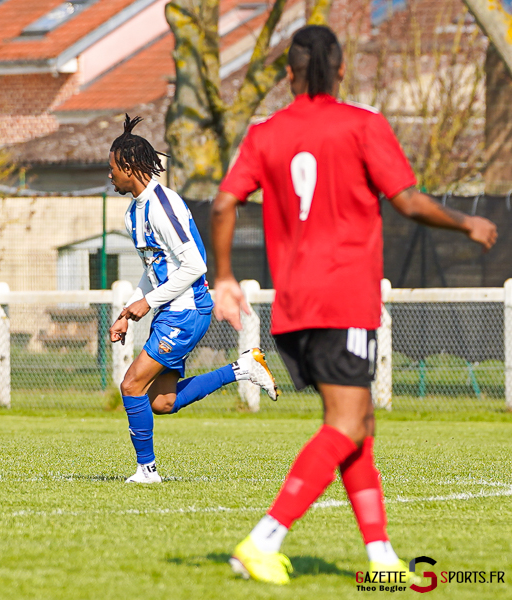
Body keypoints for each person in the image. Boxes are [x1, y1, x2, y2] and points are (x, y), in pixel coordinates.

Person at [211, 25, 498, 584]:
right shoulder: (363, 124)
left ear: (289, 74)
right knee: (347, 422)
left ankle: (381, 557)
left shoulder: (266, 133)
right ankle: (263, 539)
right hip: (343, 299)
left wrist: (224, 276)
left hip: (293, 305)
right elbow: (409, 202)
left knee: (357, 421)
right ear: (341, 70)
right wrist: (468, 222)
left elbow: (224, 205)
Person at [108, 115, 280, 484]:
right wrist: (129, 310)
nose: (110, 176)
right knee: (161, 402)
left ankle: (147, 470)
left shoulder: (162, 206)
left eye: (113, 168)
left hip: (186, 309)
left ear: (130, 167)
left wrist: (149, 303)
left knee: (131, 386)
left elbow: (195, 265)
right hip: (172, 308)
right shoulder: (133, 213)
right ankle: (244, 368)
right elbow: (153, 269)